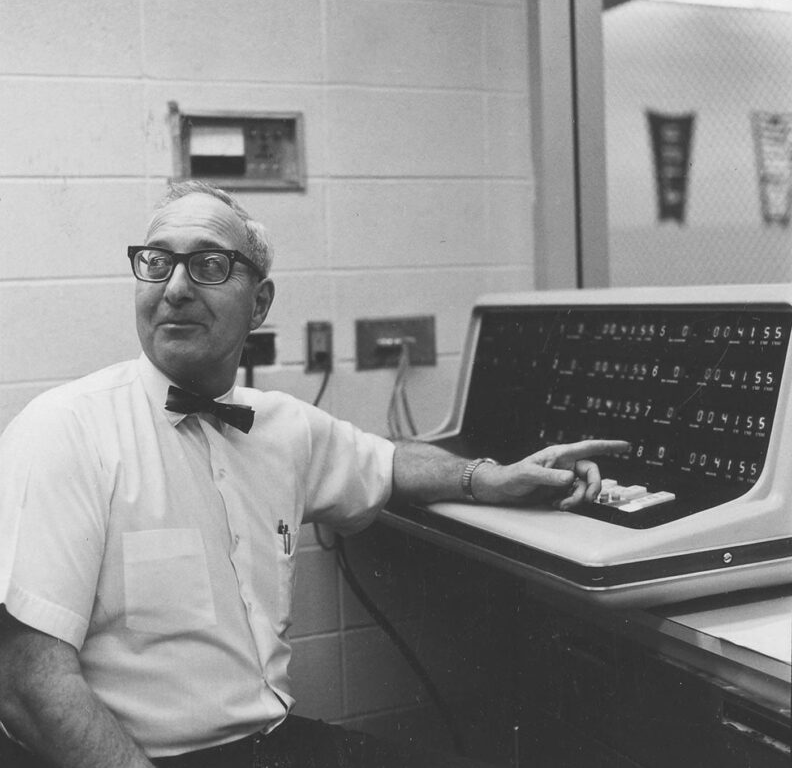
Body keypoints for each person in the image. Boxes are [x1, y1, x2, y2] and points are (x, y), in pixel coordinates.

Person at [0, 181, 627, 768]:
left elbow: (386, 460)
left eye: (209, 265)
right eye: (157, 262)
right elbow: (27, 683)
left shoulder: (280, 427)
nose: (175, 288)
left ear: (260, 303)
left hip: (268, 744)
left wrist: (487, 478)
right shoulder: (64, 431)